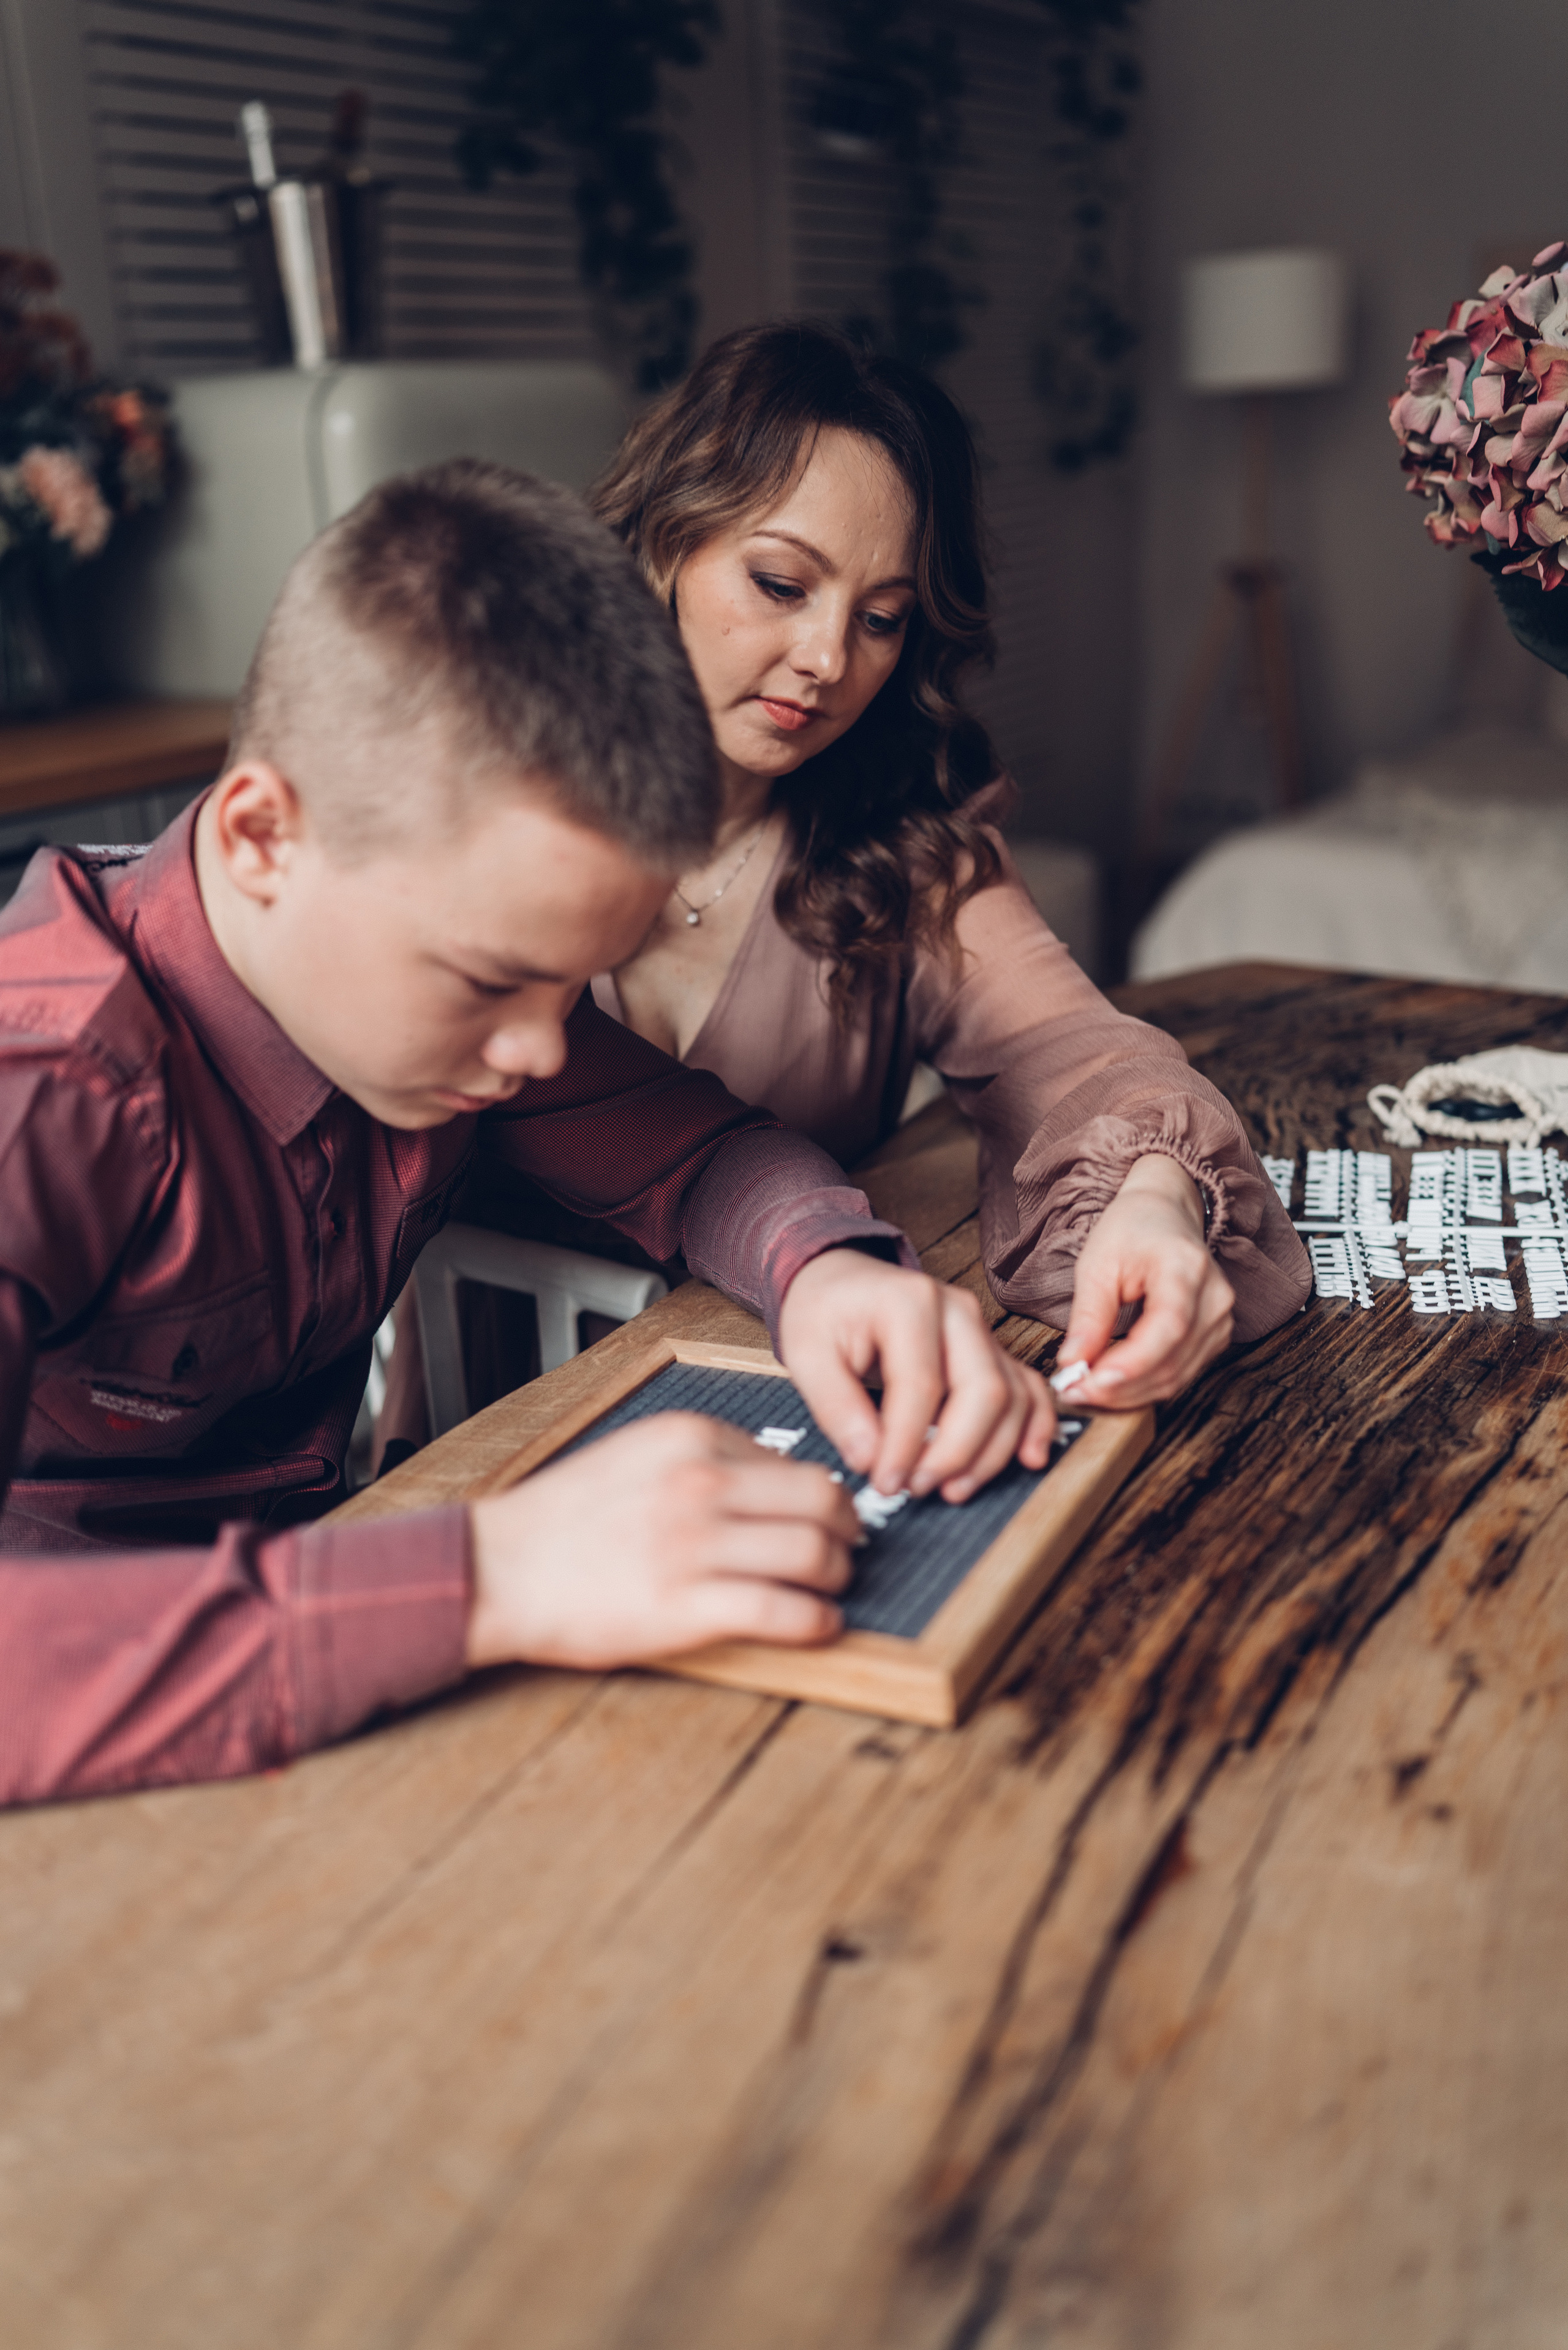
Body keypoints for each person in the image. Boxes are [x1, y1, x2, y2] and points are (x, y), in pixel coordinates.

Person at [0, 459, 1054, 1809]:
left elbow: (698, 1152)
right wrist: (494, 1572)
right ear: (264, 835)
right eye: (493, 979)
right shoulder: (46, 1089)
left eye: (576, 981)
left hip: (342, 1679)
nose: (542, 1051)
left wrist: (831, 1267)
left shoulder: (455, 1025)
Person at [577, 321, 1310, 1399]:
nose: (828, 659)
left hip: (789, 1403)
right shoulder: (508, 796)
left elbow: (1075, 1049)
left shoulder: (908, 846)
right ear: (663, 545)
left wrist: (1158, 1197)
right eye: (782, 584)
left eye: (881, 618)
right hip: (484, 1435)